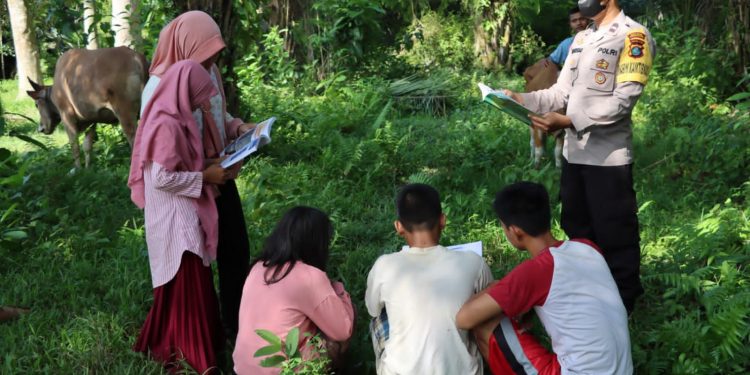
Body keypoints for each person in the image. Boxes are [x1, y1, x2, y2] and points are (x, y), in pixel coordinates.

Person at [504, 0, 655, 313]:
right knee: (577, 227)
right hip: (575, 156)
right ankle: (590, 296)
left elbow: (622, 102)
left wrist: (569, 121)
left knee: (615, 231)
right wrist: (520, 98)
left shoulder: (633, 37)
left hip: (607, 159)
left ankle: (624, 306)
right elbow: (559, 94)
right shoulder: (581, 39)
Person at [142, 10, 256, 339]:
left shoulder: (210, 71)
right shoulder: (157, 90)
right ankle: (206, 332)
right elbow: (162, 165)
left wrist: (239, 128)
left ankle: (235, 324)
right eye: (204, 58)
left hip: (219, 173)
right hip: (191, 186)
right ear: (185, 49)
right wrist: (204, 175)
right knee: (199, 262)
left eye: (214, 58)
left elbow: (217, 112)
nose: (209, 67)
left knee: (235, 247)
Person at [456, 182, 632, 375]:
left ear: (515, 231)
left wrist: (496, 286)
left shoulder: (537, 271)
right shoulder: (587, 247)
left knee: (485, 323)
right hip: (622, 370)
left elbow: (465, 319)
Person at [128, 60, 230, 373]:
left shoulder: (175, 114)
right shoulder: (166, 122)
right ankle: (190, 353)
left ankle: (182, 342)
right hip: (174, 214)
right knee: (187, 278)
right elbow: (161, 178)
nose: (201, 104)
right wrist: (206, 178)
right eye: (198, 96)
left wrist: (213, 163)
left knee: (191, 278)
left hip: (180, 207)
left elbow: (180, 162)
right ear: (183, 90)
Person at [365, 183, 493, 375]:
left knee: (378, 318)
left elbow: (372, 308)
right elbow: (491, 303)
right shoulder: (473, 262)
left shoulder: (384, 265)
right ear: (442, 220)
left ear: (399, 227)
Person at [233, 206, 354, 375]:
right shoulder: (309, 277)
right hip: (283, 370)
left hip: (243, 368)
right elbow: (342, 330)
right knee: (337, 341)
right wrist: (338, 289)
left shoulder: (258, 268)